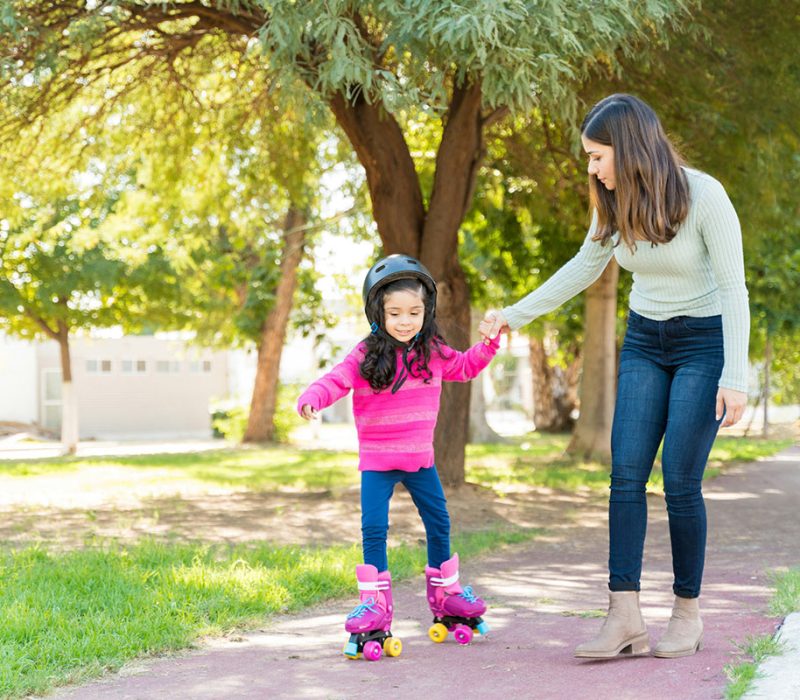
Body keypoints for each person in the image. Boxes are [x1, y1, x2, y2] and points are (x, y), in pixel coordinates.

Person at [480, 94, 749, 659]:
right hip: (647, 339)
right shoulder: (613, 203)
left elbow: (732, 290)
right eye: (589, 158)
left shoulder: (705, 196)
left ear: (627, 149)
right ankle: (623, 614)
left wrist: (736, 374)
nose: (592, 168)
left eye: (597, 156)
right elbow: (583, 266)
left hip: (704, 343)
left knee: (678, 479)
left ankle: (687, 612)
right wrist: (511, 315)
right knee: (625, 474)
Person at [298, 254, 500, 660]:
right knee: (374, 530)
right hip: (377, 461)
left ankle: (447, 598)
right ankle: (375, 606)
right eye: (395, 313)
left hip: (420, 460)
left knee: (439, 522)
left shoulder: (433, 350)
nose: (405, 321)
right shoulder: (366, 354)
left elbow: (464, 367)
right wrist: (312, 397)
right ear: (379, 313)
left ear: (426, 313)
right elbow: (336, 378)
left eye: (414, 312)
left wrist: (490, 344)